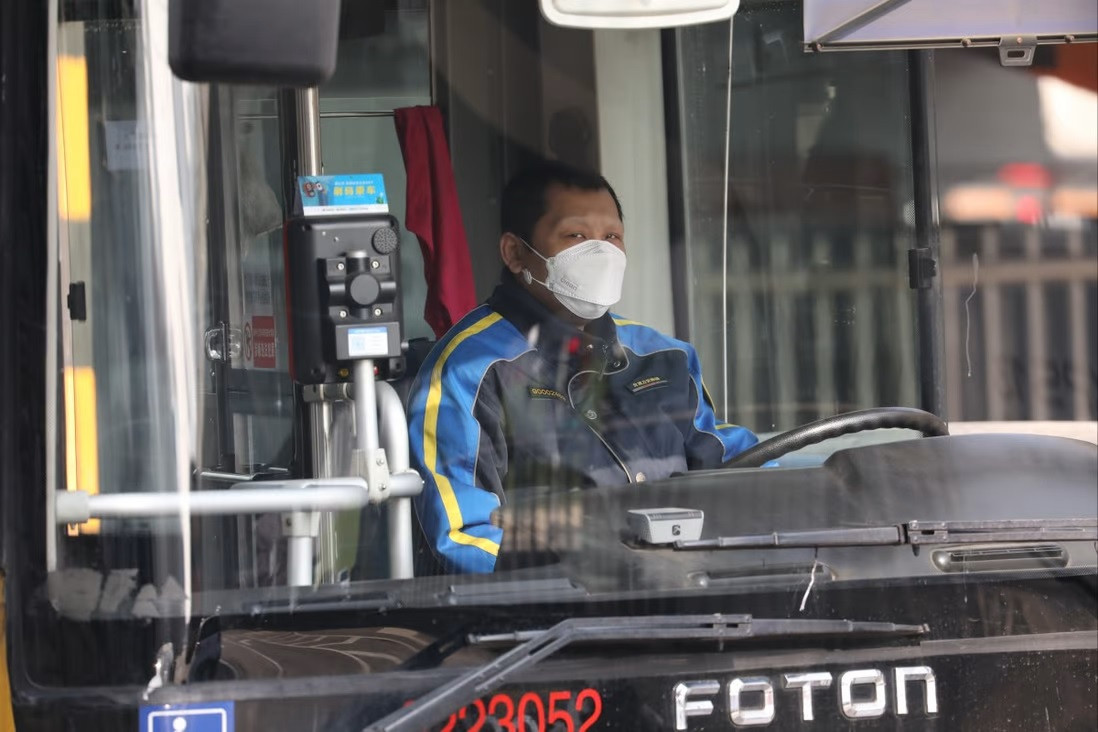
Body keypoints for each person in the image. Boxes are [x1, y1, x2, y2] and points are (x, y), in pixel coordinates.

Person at [408, 162, 759, 573]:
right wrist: (594, 567)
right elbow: (464, 536)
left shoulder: (665, 356)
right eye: (575, 236)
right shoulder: (469, 371)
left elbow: (730, 462)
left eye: (612, 237)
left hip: (688, 590)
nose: (600, 253)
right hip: (562, 605)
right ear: (516, 253)